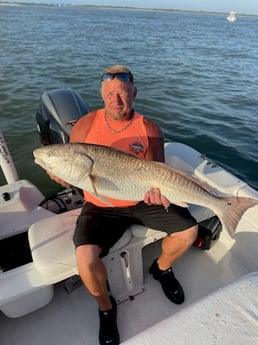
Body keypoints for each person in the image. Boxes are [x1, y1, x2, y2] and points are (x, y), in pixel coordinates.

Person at [49, 65, 198, 345]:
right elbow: (72, 169)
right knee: (86, 259)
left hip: (140, 199)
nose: (116, 100)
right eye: (110, 93)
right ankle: (106, 308)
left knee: (188, 232)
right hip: (99, 204)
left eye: (122, 93)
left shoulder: (149, 129)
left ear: (135, 93)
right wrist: (57, 174)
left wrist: (157, 192)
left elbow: (158, 173)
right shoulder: (84, 125)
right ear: (101, 93)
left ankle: (162, 268)